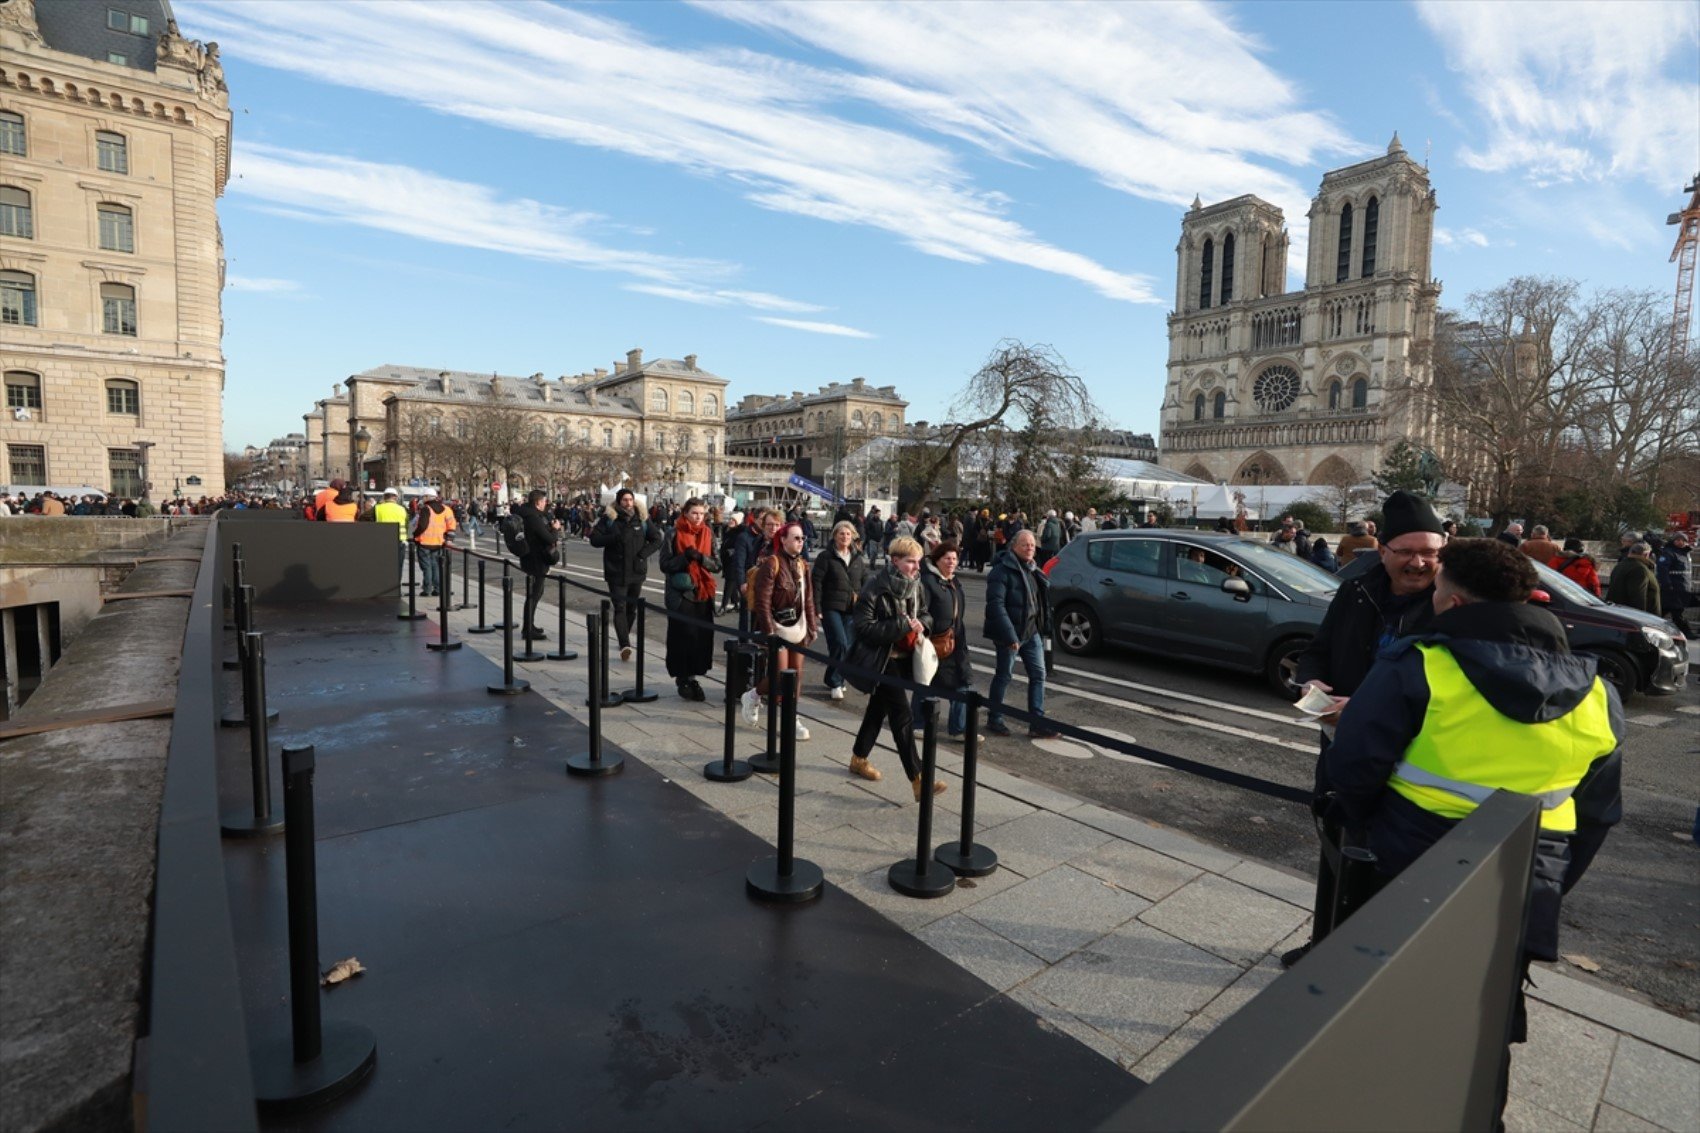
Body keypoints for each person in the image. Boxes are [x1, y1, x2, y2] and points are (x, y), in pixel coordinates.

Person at [1325, 538, 1622, 1128]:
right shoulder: (1598, 693)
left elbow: (1354, 770)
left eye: (1437, 590)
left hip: (1407, 861)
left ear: (1455, 604)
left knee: (1390, 1005)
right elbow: (1596, 816)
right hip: (1524, 876)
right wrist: (1549, 881)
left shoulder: (1420, 665)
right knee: (1487, 1017)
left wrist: (1363, 828)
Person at [1286, 490, 1445, 967]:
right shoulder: (1355, 590)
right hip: (1340, 745)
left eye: (1431, 553)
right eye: (1408, 552)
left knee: (1388, 869)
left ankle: (1368, 963)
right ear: (1382, 550)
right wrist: (1309, 680)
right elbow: (1319, 648)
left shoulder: (1452, 604)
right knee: (1336, 850)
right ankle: (1324, 945)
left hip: (1410, 762)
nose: (1420, 563)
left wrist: (1370, 708)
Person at [845, 536, 940, 799]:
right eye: (910, 562)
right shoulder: (875, 586)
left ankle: (858, 758)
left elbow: (926, 613)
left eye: (918, 562)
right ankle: (919, 778)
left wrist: (923, 624)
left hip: (904, 657)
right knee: (902, 715)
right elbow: (862, 628)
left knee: (877, 710)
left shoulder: (916, 585)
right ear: (895, 561)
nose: (915, 567)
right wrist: (902, 626)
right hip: (880, 659)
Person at [745, 521, 819, 741]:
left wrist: (812, 626)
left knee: (795, 675)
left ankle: (791, 717)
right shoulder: (772, 563)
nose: (800, 541)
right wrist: (769, 631)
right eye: (796, 538)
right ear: (783, 540)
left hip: (799, 627)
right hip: (778, 628)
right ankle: (753, 695)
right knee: (779, 675)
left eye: (802, 538)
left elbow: (808, 599)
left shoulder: (803, 565)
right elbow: (762, 601)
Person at [984, 528, 1059, 739]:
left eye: (1032, 545)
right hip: (1010, 634)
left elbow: (1039, 602)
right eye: (1025, 544)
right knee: (1004, 676)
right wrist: (1010, 636)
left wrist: (1044, 627)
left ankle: (1036, 722)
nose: (1030, 548)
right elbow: (996, 605)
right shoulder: (1001, 571)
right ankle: (995, 719)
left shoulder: (1033, 569)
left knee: (1038, 675)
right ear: (1014, 546)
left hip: (1031, 631)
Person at [589, 488, 662, 661]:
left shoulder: (642, 518)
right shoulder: (609, 518)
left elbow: (657, 539)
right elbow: (594, 540)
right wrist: (614, 538)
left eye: (630, 499)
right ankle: (624, 644)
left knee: (631, 608)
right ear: (619, 501)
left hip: (636, 570)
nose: (628, 503)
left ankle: (624, 635)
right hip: (616, 571)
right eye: (624, 500)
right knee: (620, 607)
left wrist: (642, 555)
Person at [915, 540, 977, 742]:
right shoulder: (929, 582)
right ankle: (918, 723)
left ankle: (958, 728)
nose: (951, 562)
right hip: (935, 642)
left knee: (962, 680)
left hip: (955, 640)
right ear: (937, 560)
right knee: (927, 682)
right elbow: (922, 611)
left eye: (954, 558)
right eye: (947, 558)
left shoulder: (953, 581)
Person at [659, 498, 719, 701]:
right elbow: (665, 564)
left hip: (702, 594)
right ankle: (683, 678)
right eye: (694, 513)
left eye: (701, 514)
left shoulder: (708, 534)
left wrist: (702, 558)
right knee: (681, 638)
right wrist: (685, 557)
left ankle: (693, 676)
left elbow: (717, 565)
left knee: (700, 638)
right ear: (685, 513)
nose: (698, 517)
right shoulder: (673, 533)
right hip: (681, 595)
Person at [813, 520, 868, 701]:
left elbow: (865, 583)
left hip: (852, 608)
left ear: (852, 537)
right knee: (840, 643)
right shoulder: (825, 557)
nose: (845, 537)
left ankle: (832, 677)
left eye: (848, 534)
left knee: (847, 646)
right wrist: (817, 607)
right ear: (834, 536)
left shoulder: (858, 559)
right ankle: (836, 681)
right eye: (841, 534)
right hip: (831, 607)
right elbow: (817, 583)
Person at [514, 489, 559, 637]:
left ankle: (529, 625)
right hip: (537, 560)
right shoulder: (533, 517)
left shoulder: (525, 513)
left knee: (534, 594)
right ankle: (528, 629)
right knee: (535, 594)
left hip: (528, 557)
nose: (546, 504)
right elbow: (549, 539)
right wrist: (555, 529)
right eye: (544, 501)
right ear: (538, 502)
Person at [410, 489, 456, 596]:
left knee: (426, 567)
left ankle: (427, 589)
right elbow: (452, 524)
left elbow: (422, 525)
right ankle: (438, 589)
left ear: (427, 497)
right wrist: (449, 539)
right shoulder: (446, 509)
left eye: (423, 497)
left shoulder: (426, 509)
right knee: (435, 566)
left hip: (424, 542)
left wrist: (415, 535)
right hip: (439, 542)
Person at [1605, 542, 1660, 614]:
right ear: (1646, 554)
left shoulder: (1620, 565)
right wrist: (1641, 616)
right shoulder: (1640, 569)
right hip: (1636, 615)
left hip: (1618, 611)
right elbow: (1638, 597)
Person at [1654, 532, 1693, 628]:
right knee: (1676, 610)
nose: (1680, 542)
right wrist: (1667, 584)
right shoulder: (1669, 552)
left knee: (1670, 610)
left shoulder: (1686, 554)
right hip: (1673, 587)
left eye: (1683, 540)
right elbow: (1662, 569)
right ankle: (1684, 630)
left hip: (1682, 587)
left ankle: (1654, 625)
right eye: (1677, 540)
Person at [373, 487, 409, 580]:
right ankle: (397, 587)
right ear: (396, 498)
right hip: (400, 540)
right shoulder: (402, 509)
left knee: (384, 565)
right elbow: (406, 524)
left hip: (383, 540)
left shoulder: (378, 508)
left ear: (384, 497)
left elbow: (364, 518)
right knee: (398, 565)